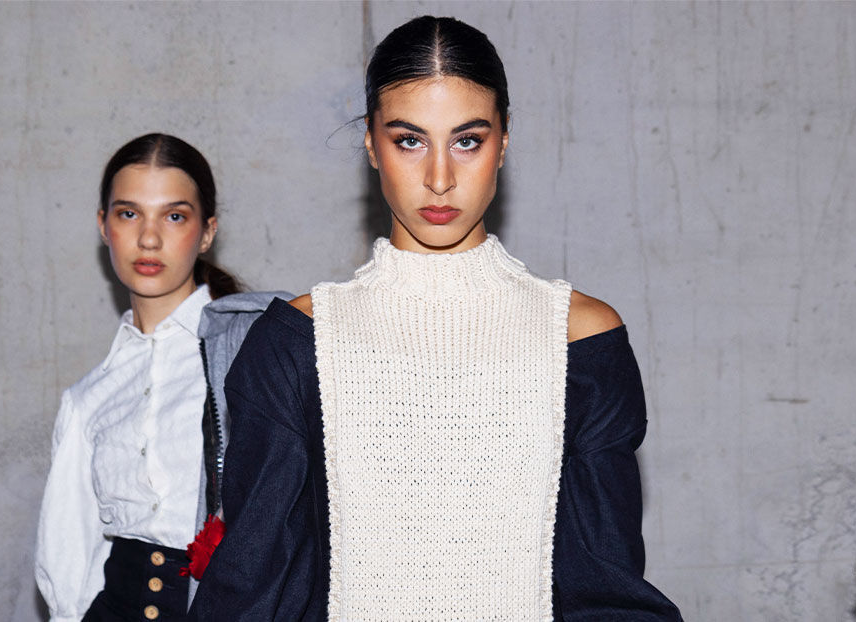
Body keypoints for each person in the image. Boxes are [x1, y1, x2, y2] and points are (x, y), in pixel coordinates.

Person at [188, 15, 681, 621]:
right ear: (371, 143)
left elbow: (603, 581)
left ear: (505, 141)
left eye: (468, 140)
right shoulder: (295, 341)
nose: (440, 178)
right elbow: (255, 581)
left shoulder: (582, 337)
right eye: (410, 140)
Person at [35, 133, 287, 621]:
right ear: (103, 226)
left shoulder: (250, 350)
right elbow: (67, 561)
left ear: (207, 231)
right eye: (128, 213)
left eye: (174, 216)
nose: (149, 238)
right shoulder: (89, 398)